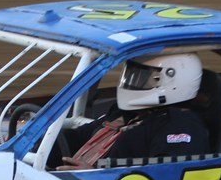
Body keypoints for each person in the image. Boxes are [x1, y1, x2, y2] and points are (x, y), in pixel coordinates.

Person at [59, 53, 211, 170]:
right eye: (132, 75)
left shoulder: (181, 126)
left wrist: (94, 174)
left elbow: (165, 177)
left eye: (144, 77)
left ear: (174, 80)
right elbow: (76, 138)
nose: (134, 81)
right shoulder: (127, 112)